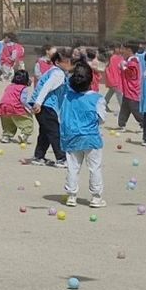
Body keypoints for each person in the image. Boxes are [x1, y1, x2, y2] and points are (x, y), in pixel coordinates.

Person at [59, 62, 108, 209]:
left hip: (71, 137)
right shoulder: (98, 99)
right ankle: (96, 197)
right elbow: (102, 119)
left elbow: (62, 115)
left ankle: (71, 196)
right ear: (91, 80)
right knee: (94, 167)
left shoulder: (67, 96)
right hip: (91, 138)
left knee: (73, 167)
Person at [30, 48, 74, 168]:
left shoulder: (57, 72)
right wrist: (38, 103)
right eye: (66, 61)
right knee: (55, 133)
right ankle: (61, 158)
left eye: (70, 61)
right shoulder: (58, 74)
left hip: (44, 106)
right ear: (57, 62)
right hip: (45, 106)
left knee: (45, 132)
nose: (69, 64)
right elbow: (46, 87)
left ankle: (38, 157)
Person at [0, 70, 33, 144]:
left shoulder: (9, 86)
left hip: (3, 106)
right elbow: (23, 100)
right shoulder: (23, 88)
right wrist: (30, 108)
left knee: (8, 122)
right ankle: (24, 135)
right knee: (27, 120)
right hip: (15, 107)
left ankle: (6, 136)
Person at [118, 41, 143, 132]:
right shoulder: (129, 60)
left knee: (135, 109)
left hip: (132, 90)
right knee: (124, 108)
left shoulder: (134, 61)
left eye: (124, 49)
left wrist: (123, 67)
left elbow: (131, 73)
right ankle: (122, 124)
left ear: (129, 50)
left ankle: (144, 123)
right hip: (127, 90)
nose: (122, 51)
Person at [104, 43, 123, 113]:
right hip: (114, 78)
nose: (120, 50)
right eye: (118, 48)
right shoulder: (113, 58)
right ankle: (123, 108)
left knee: (111, 92)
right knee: (119, 93)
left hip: (117, 78)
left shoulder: (120, 57)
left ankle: (104, 104)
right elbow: (112, 69)